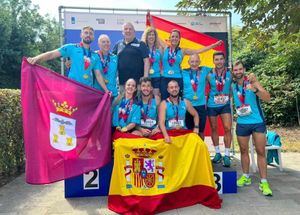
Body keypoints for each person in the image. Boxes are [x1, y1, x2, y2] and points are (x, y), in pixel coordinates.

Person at [232, 60, 272, 196]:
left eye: (240, 69)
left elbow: (267, 98)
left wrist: (254, 89)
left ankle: (264, 182)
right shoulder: (232, 85)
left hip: (257, 122)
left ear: (244, 69)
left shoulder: (253, 81)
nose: (238, 72)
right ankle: (246, 176)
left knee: (260, 151)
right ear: (233, 72)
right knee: (243, 151)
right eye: (235, 70)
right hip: (242, 123)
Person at [27, 26, 109, 93]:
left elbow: (98, 75)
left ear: (93, 37)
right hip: (72, 89)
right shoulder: (71, 48)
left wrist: (106, 90)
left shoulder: (95, 56)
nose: (88, 35)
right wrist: (35, 59)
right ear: (81, 35)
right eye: (86, 33)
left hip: (88, 92)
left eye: (91, 34)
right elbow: (51, 54)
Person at [158, 29, 223, 100]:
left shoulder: (182, 51)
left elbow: (198, 51)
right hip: (164, 78)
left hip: (178, 78)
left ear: (179, 39)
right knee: (164, 100)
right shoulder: (165, 47)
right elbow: (155, 34)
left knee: (177, 101)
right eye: (173, 36)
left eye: (176, 37)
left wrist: (214, 45)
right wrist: (151, 21)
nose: (174, 38)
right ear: (170, 38)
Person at [207, 51, 232, 167]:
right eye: (216, 59)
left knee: (227, 128)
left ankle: (227, 154)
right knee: (214, 128)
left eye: (221, 59)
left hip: (225, 105)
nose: (219, 61)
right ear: (213, 61)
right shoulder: (209, 73)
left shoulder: (230, 73)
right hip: (212, 104)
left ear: (224, 60)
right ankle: (217, 153)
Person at [112, 22, 150, 90]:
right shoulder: (118, 44)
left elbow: (146, 61)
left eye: (130, 29)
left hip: (137, 83)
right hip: (122, 82)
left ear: (134, 31)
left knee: (137, 100)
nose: (128, 31)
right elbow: (112, 61)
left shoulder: (141, 44)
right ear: (122, 32)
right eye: (126, 29)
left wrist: (145, 78)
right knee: (122, 100)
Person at [182, 54, 211, 140]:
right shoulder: (183, 72)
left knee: (200, 131)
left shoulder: (205, 70)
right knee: (188, 131)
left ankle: (201, 151)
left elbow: (219, 71)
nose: (194, 64)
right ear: (188, 62)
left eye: (196, 61)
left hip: (200, 105)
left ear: (200, 62)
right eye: (192, 61)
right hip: (187, 106)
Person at [141, 27, 162, 96]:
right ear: (146, 37)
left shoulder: (159, 49)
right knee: (146, 97)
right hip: (146, 76)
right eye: (149, 35)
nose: (151, 36)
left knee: (156, 97)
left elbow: (162, 62)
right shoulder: (142, 49)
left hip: (156, 76)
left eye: (153, 35)